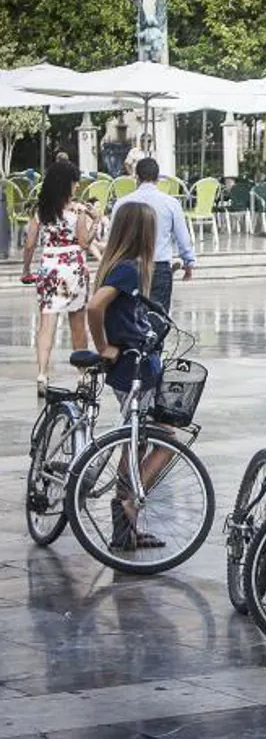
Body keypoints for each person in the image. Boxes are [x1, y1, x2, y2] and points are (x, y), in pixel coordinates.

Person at [87, 202, 168, 551]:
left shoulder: (115, 266)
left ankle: (126, 526)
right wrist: (103, 345)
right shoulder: (129, 270)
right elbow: (94, 306)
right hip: (134, 366)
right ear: (144, 235)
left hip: (127, 367)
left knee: (134, 443)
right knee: (166, 438)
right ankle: (128, 505)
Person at [21, 161, 98, 396]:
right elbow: (84, 243)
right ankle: (83, 376)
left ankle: (42, 373)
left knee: (47, 323)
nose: (76, 187)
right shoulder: (78, 211)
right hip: (73, 266)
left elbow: (30, 243)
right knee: (77, 323)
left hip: (49, 268)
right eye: (75, 183)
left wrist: (26, 269)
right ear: (68, 184)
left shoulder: (41, 211)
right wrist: (95, 221)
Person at [111, 158, 195, 312]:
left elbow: (112, 238)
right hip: (159, 267)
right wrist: (188, 262)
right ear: (158, 178)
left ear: (136, 177)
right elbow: (183, 238)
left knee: (131, 316)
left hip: (128, 267)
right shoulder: (171, 203)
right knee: (157, 318)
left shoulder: (121, 203)